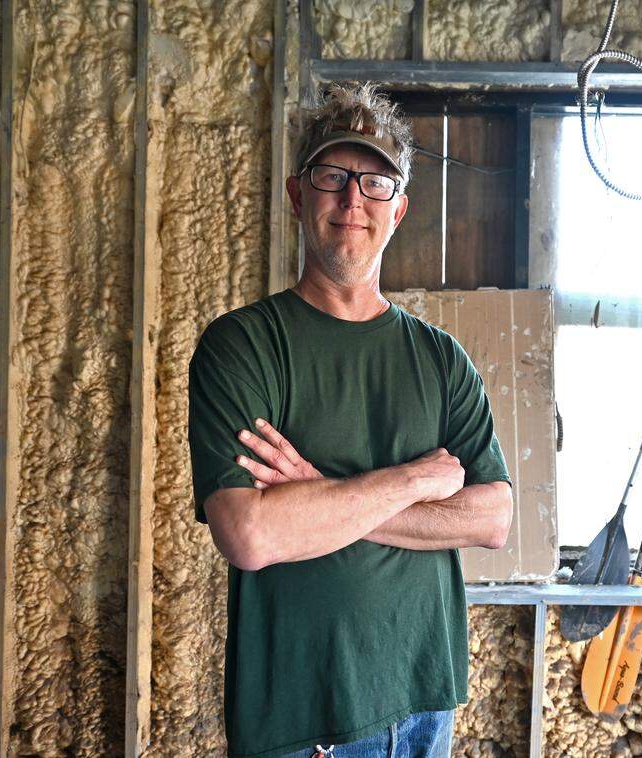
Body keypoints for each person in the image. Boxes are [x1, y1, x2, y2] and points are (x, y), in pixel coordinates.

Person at [186, 82, 515, 758]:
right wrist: (413, 480)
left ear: (398, 211)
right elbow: (249, 534)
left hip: (426, 702)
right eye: (333, 176)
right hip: (306, 723)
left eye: (374, 183)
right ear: (297, 195)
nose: (352, 200)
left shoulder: (440, 358)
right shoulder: (242, 345)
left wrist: (320, 492)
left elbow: (492, 519)